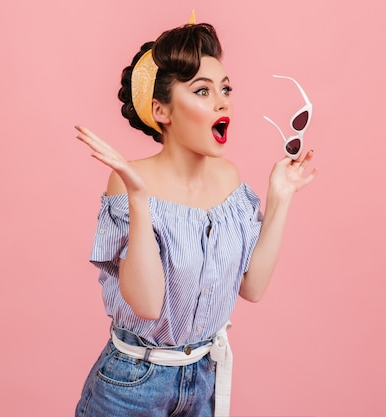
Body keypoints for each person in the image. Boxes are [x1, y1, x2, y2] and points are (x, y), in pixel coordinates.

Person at [73, 13, 317, 417]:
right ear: (162, 112)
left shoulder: (229, 179)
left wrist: (281, 196)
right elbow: (148, 304)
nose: (223, 101)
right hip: (132, 385)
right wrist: (137, 195)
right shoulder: (129, 183)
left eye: (225, 88)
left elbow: (252, 287)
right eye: (202, 91)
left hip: (203, 375)